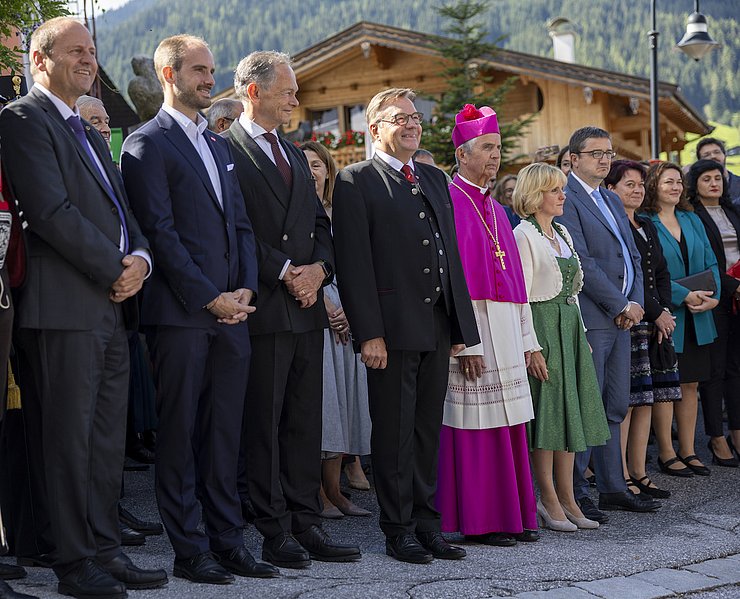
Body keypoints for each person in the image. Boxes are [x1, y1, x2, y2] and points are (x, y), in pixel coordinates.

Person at [0, 16, 166, 599]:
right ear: (39, 61)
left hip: (110, 307)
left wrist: (141, 260)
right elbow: (49, 213)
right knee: (66, 441)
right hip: (62, 307)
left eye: (91, 52)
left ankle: (106, 550)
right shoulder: (23, 120)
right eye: (74, 51)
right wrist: (114, 267)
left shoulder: (91, 133)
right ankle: (73, 562)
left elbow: (127, 214)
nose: (88, 60)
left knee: (103, 442)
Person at [121, 34, 278, 584]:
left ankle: (227, 540)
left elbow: (241, 226)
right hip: (182, 314)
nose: (210, 80)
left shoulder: (217, 144)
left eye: (212, 71)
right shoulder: (145, 144)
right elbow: (160, 234)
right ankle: (190, 550)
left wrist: (245, 293)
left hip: (232, 313)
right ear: (169, 74)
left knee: (223, 436)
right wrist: (210, 297)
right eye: (199, 71)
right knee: (182, 435)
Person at [223, 50, 360, 569]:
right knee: (264, 426)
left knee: (304, 423)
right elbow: (233, 230)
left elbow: (323, 228)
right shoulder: (224, 150)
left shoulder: (295, 152)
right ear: (253, 91)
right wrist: (286, 271)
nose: (296, 100)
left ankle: (306, 523)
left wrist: (319, 272)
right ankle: (272, 528)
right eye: (287, 92)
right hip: (264, 308)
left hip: (306, 309)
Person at [333, 88, 479, 564]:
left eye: (416, 117)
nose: (413, 125)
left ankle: (427, 523)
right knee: (393, 435)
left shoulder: (434, 178)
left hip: (436, 325)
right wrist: (368, 333)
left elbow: (449, 256)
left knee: (425, 432)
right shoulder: (355, 181)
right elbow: (354, 264)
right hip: (390, 332)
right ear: (375, 128)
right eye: (400, 118)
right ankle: (397, 529)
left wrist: (461, 328)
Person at [435, 104, 538, 546]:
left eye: (498, 148)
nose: (496, 156)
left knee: (507, 425)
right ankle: (478, 521)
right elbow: (450, 283)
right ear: (462, 153)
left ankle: (512, 516)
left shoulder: (495, 208)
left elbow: (517, 286)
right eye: (487, 148)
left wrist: (529, 342)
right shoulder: (450, 203)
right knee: (475, 428)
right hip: (474, 335)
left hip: (508, 336)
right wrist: (466, 342)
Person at [556, 126, 659, 524]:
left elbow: (631, 253)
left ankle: (613, 487)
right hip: (593, 316)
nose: (604, 159)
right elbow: (581, 258)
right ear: (575, 158)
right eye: (595, 153)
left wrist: (634, 303)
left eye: (609, 153)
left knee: (615, 403)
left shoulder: (609, 198)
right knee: (588, 403)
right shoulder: (568, 196)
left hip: (623, 316)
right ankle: (578, 491)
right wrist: (618, 304)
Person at [76, 94, 164, 544]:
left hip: (123, 307)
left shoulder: (111, 168)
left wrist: (140, 262)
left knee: (113, 426)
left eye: (106, 121)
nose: (101, 127)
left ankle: (113, 511)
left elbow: (133, 225)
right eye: (92, 119)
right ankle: (92, 524)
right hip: (88, 302)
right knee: (88, 430)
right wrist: (118, 270)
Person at [513, 162, 610, 532]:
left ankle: (569, 497)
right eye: (555, 190)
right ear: (536, 194)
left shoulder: (563, 233)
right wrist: (530, 347)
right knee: (549, 416)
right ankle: (548, 499)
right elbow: (520, 297)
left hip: (569, 328)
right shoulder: (524, 235)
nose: (562, 195)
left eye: (562, 189)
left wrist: (581, 333)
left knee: (571, 413)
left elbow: (572, 294)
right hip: (542, 329)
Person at [299, 140, 372, 518]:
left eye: (318, 165)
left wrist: (350, 311)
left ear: (329, 171)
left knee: (345, 404)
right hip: (315, 309)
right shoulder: (299, 212)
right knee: (325, 404)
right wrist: (327, 308)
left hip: (348, 311)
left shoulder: (340, 210)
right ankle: (319, 494)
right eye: (305, 164)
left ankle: (337, 490)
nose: (312, 171)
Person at [605, 160, 680, 498]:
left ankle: (639, 471)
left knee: (647, 399)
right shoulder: (612, 224)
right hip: (629, 320)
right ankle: (619, 473)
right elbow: (626, 279)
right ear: (610, 190)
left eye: (638, 185)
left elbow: (660, 273)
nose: (635, 191)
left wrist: (663, 310)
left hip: (653, 322)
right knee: (628, 401)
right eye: (627, 185)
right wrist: (654, 312)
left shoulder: (647, 225)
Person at [643, 162, 720, 478]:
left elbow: (712, 261)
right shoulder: (646, 221)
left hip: (700, 315)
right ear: (654, 186)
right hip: (668, 315)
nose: (675, 187)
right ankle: (667, 452)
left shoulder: (692, 218)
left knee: (691, 384)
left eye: (678, 182)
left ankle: (688, 450)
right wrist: (681, 295)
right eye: (667, 181)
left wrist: (712, 296)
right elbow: (649, 272)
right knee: (667, 386)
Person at [685, 159, 740, 467]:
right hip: (715, 295)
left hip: (739, 294)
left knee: (737, 368)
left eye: (717, 178)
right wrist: (733, 286)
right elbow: (706, 260)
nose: (714, 183)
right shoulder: (695, 216)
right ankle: (716, 437)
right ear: (696, 184)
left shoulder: (733, 212)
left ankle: (737, 430)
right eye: (706, 179)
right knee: (714, 369)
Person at [696, 137, 740, 206]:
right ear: (699, 161)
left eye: (716, 152)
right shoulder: (696, 190)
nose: (713, 156)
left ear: (725, 155)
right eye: (707, 155)